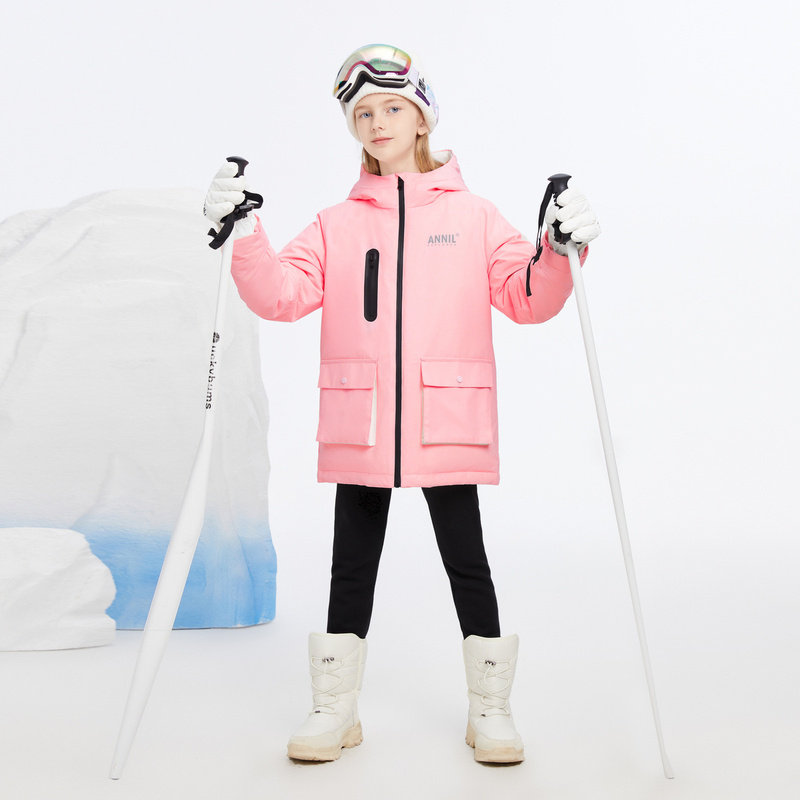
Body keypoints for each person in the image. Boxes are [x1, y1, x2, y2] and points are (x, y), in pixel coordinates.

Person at [203, 43, 600, 765]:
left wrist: (558, 247)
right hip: (363, 423)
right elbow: (281, 295)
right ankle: (335, 709)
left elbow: (528, 298)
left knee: (467, 561)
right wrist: (246, 235)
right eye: (362, 114)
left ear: (422, 118)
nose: (377, 123)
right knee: (350, 566)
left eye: (392, 108)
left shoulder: (475, 217)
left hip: (446, 418)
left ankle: (490, 709)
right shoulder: (337, 223)